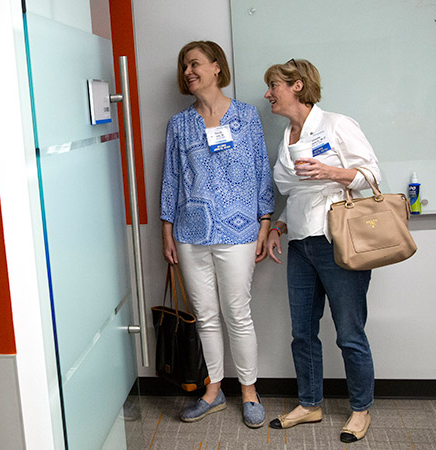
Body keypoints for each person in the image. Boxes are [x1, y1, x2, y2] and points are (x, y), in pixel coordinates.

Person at [262, 59, 379, 443]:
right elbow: (294, 190)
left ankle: (360, 410)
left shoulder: (338, 125)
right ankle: (310, 404)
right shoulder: (287, 135)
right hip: (300, 244)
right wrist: (279, 225)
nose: (268, 94)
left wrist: (331, 172)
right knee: (302, 333)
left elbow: (373, 176)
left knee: (349, 333)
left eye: (273, 85)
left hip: (338, 242)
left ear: (297, 85)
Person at [160, 40, 275, 428]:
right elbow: (171, 178)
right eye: (184, 66)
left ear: (216, 68)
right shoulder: (179, 124)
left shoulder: (246, 116)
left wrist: (264, 221)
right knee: (206, 316)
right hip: (191, 232)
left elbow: (262, 168)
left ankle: (249, 390)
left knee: (237, 314)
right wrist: (167, 229)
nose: (188, 71)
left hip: (240, 230)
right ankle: (213, 390)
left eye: (194, 64)